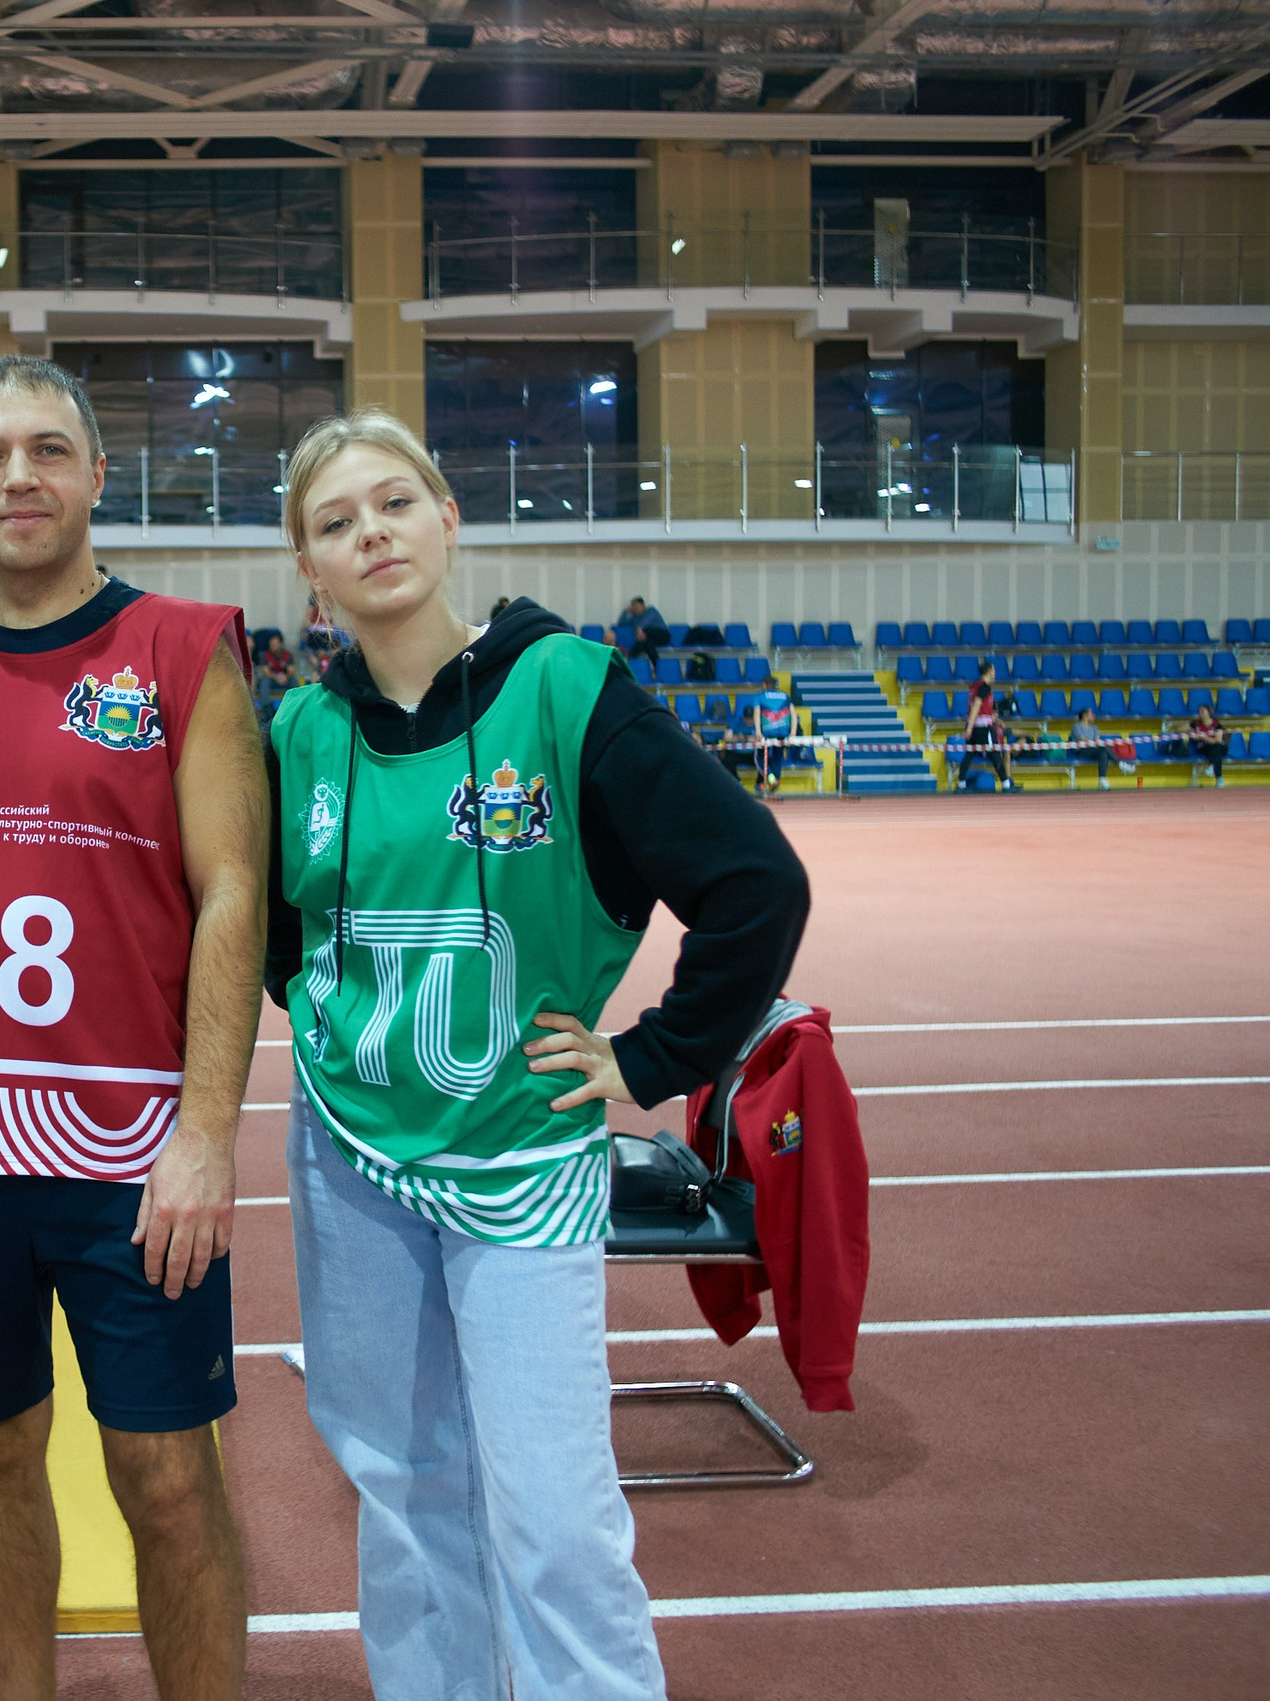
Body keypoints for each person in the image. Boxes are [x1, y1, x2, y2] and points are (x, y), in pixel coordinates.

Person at [264, 409, 808, 1701]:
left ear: (449, 520)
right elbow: (278, 935)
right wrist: (344, 1024)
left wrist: (651, 1057)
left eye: (395, 502)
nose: (371, 533)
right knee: (400, 1486)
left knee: (553, 1511)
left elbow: (755, 885)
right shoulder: (297, 733)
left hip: (520, 1160)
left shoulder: (564, 688)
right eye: (336, 522)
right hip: (350, 1158)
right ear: (309, 569)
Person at [0, 354, 264, 1701]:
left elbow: (232, 893)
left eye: (45, 450)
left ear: (95, 474)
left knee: (168, 1477)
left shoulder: (183, 647)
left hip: (128, 1152)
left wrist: (206, 1134)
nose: (17, 476)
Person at [954, 661, 1017, 792]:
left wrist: (996, 721)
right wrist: (969, 728)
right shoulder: (984, 687)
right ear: (989, 671)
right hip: (982, 728)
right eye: (993, 670)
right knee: (995, 754)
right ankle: (1006, 784)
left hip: (976, 725)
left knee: (969, 754)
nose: (995, 672)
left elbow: (983, 711)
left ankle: (961, 784)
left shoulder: (975, 686)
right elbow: (976, 707)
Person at [619, 595, 670, 666]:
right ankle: (657, 666)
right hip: (648, 638)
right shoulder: (635, 617)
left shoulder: (651, 610)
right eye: (634, 608)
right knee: (647, 643)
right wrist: (627, 611)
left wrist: (639, 630)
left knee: (647, 630)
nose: (636, 609)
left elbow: (645, 622)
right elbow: (622, 623)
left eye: (637, 607)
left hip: (663, 635)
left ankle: (635, 651)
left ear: (643, 605)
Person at [1189, 700, 1228, 786]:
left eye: (1202, 711)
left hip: (1218, 747)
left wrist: (1203, 737)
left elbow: (1217, 740)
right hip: (1204, 748)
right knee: (1216, 752)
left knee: (1216, 747)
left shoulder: (1217, 725)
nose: (1200, 713)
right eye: (1199, 711)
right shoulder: (1196, 724)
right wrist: (1191, 731)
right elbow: (1179, 729)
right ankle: (1219, 778)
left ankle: (1211, 766)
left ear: (1209, 713)